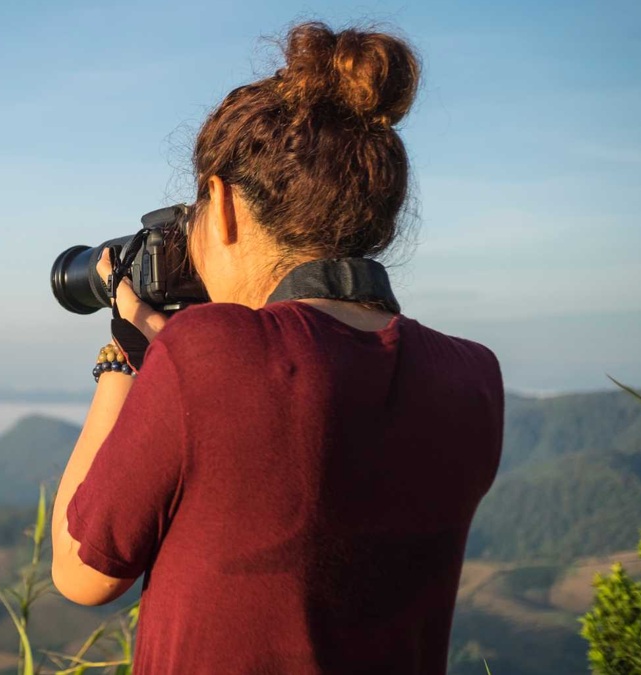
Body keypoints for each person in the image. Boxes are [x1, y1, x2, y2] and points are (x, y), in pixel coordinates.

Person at [50, 21, 504, 674]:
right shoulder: (471, 378)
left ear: (224, 201)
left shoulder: (205, 353)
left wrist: (124, 354)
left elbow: (81, 571)